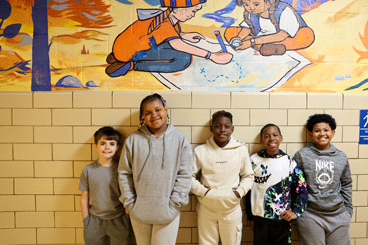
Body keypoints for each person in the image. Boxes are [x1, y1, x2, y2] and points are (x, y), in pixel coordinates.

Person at [106, 0, 232, 77]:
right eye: (193, 10)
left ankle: (119, 58)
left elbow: (159, 36)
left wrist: (184, 35)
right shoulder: (165, 23)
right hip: (129, 51)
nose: (193, 15)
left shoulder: (166, 19)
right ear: (177, 8)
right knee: (183, 59)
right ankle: (130, 65)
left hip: (125, 48)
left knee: (180, 52)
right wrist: (212, 56)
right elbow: (177, 44)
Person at [118, 93, 193, 245]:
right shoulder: (133, 140)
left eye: (158, 109)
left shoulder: (180, 139)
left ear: (165, 110)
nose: (154, 115)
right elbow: (124, 173)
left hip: (168, 211)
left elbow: (185, 174)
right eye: (148, 112)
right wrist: (130, 203)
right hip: (139, 211)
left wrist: (174, 204)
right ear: (142, 117)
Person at [191, 110, 254, 245]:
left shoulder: (240, 150)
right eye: (217, 126)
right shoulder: (200, 151)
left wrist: (238, 193)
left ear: (232, 129)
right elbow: (188, 177)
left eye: (226, 126)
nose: (222, 130)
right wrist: (204, 192)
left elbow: (248, 176)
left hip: (231, 208)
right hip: (207, 207)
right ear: (211, 128)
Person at [294, 114, 353, 245]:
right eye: (317, 130)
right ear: (310, 133)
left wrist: (348, 210)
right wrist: (298, 211)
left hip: (338, 214)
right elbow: (294, 184)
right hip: (310, 214)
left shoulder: (341, 157)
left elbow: (346, 183)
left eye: (326, 130)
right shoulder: (302, 155)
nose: (322, 134)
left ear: (333, 132)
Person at [246, 123, 308, 245]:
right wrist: (250, 216)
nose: (271, 139)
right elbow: (248, 191)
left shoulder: (289, 162)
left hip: (282, 220)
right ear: (262, 140)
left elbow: (302, 188)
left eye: (275, 135)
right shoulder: (253, 161)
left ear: (281, 138)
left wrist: (296, 211)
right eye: (267, 136)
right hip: (259, 220)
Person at [224, 0, 314, 56]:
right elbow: (247, 28)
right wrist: (238, 38)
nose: (250, 8)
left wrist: (252, 42)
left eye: (256, 4)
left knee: (306, 36)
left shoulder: (283, 11)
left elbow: (282, 35)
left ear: (270, 0)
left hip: (284, 38)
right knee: (230, 31)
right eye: (246, 4)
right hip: (261, 37)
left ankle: (265, 47)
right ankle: (265, 47)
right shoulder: (251, 13)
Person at [79, 126, 133, 245]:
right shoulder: (88, 170)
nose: (107, 147)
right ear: (96, 146)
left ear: (117, 147)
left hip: (119, 219)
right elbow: (84, 197)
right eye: (103, 143)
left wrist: (126, 217)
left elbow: (127, 193)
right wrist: (86, 219)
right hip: (94, 220)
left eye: (112, 143)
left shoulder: (122, 169)